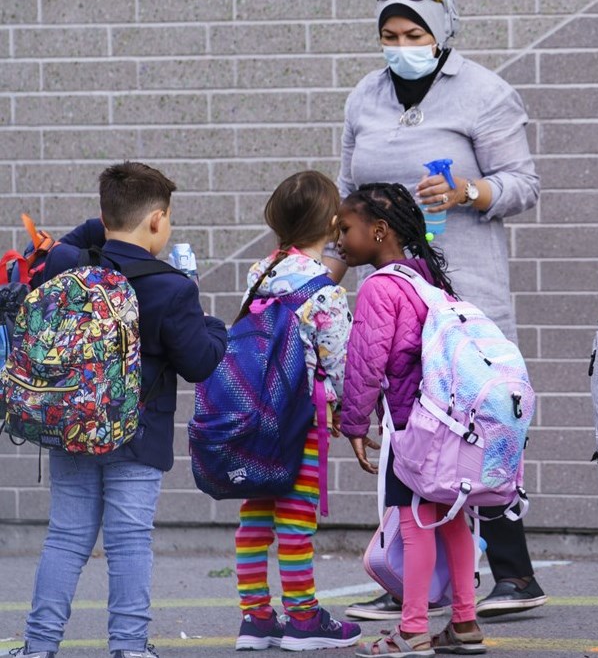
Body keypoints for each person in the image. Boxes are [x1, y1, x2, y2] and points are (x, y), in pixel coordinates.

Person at [329, 0, 546, 622]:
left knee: (473, 428)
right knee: (408, 430)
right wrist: (331, 262)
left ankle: (511, 573)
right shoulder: (363, 99)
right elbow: (347, 189)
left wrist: (468, 193)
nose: (401, 44)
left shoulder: (484, 93)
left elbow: (523, 183)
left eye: (414, 32)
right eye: (390, 34)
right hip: (391, 293)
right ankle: (408, 574)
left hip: (462, 295)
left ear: (443, 30)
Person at [13, 162, 229, 658]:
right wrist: (214, 326)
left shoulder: (69, 264)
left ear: (104, 214)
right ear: (157, 221)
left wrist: (104, 227)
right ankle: (129, 647)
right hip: (137, 435)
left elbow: (71, 238)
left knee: (66, 537)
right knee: (129, 541)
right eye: (167, 218)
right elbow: (199, 363)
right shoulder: (174, 288)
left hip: (71, 424)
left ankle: (38, 646)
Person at [338, 183, 484, 656]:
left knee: (414, 522)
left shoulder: (380, 287)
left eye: (346, 228)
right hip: (451, 424)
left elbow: (365, 361)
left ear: (378, 231)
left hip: (413, 425)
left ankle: (414, 627)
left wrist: (355, 424)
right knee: (453, 521)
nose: (338, 239)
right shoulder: (427, 278)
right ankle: (464, 623)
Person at [232, 171, 360, 652]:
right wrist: (351, 414)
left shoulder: (257, 273)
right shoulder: (324, 291)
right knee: (295, 521)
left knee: (255, 519)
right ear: (331, 222)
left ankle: (256, 617)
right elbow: (340, 363)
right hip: (301, 423)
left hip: (254, 419)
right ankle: (304, 618)